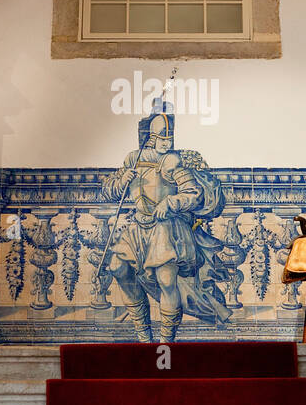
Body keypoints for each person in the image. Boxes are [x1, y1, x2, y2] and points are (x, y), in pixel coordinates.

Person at [97, 105, 231, 342]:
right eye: (161, 137)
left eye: (169, 138)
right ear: (150, 137)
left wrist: (170, 202)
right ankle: (143, 337)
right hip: (137, 228)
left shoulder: (172, 161)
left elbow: (193, 194)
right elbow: (108, 191)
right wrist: (121, 182)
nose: (166, 142)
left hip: (166, 229)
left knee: (167, 280)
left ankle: (166, 340)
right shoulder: (132, 159)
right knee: (118, 267)